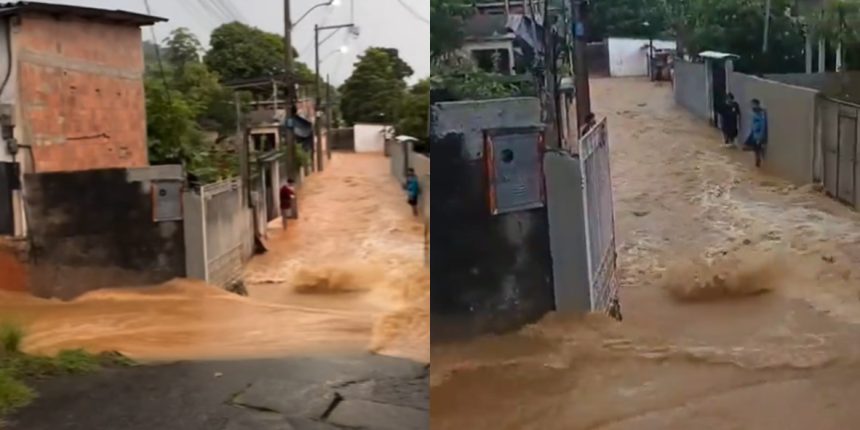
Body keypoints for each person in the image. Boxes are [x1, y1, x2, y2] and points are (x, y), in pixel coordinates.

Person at [744, 99, 769, 167]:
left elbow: (763, 125)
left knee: (754, 148)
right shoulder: (754, 112)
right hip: (754, 133)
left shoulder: (761, 113)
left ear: (757, 104)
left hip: (758, 134)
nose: (752, 106)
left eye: (753, 104)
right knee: (747, 147)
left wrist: (760, 137)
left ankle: (758, 160)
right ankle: (757, 158)